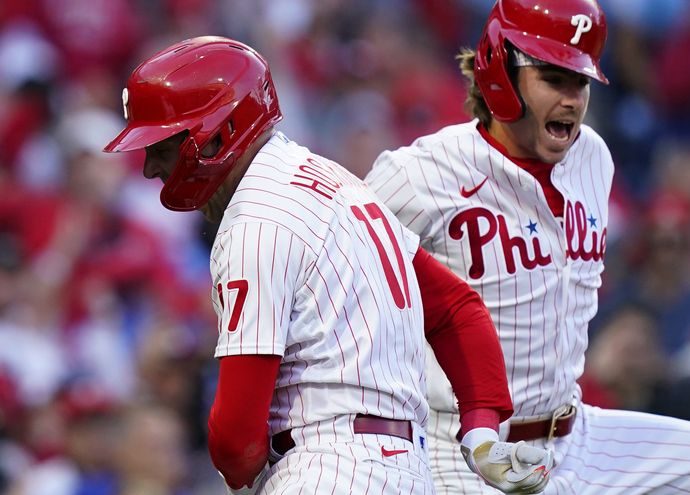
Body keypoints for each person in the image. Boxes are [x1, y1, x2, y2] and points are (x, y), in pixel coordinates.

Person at [365, 1, 690, 493]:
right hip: (463, 448)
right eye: (554, 79)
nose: (572, 99)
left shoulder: (593, 158)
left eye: (581, 82)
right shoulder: (419, 174)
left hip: (576, 435)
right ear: (501, 74)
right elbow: (340, 287)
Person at [103, 36, 552, 495]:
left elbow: (236, 439)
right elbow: (457, 309)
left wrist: (239, 478)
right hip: (407, 473)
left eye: (161, 146)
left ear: (217, 134)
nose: (150, 168)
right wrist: (480, 432)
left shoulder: (256, 218)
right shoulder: (342, 186)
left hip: (324, 468)